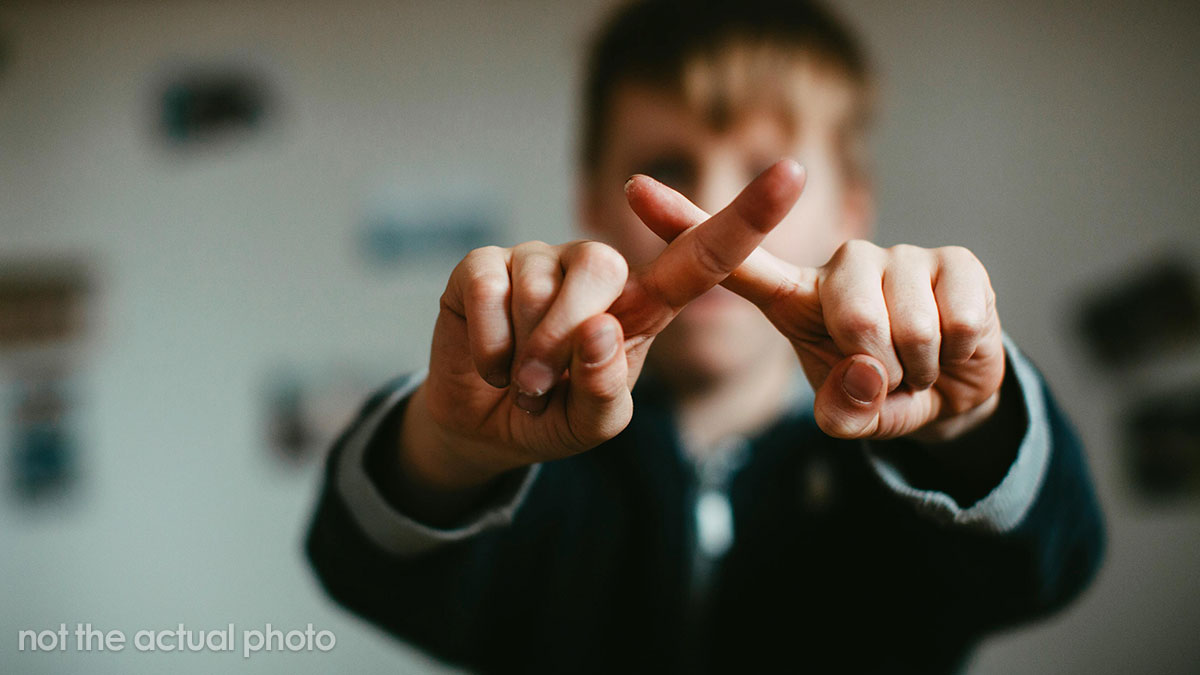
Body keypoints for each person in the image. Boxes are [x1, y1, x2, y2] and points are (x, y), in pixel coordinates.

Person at [305, 1, 1105, 672]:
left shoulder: (896, 481)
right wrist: (451, 450)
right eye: (668, 164)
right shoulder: (535, 463)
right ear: (592, 199)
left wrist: (968, 423)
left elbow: (1050, 566)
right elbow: (359, 566)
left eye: (765, 173)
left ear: (853, 208)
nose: (715, 218)